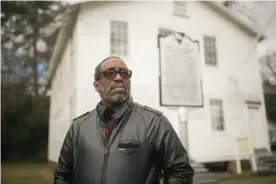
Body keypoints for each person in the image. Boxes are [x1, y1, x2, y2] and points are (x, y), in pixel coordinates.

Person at [54, 56, 194, 184]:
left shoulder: (154, 122)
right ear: (97, 86)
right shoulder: (79, 127)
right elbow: (62, 174)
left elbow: (180, 171)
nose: (119, 77)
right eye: (110, 73)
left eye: (124, 73)